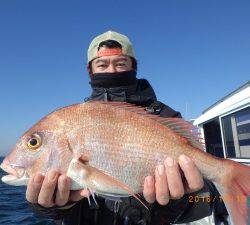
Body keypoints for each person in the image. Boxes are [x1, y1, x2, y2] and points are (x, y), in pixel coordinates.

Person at [26, 31, 227, 225]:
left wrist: (178, 202)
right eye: (102, 64)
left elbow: (208, 199)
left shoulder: (165, 117)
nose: (111, 71)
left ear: (134, 67)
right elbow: (63, 205)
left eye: (121, 63)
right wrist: (52, 206)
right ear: (90, 70)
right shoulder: (77, 117)